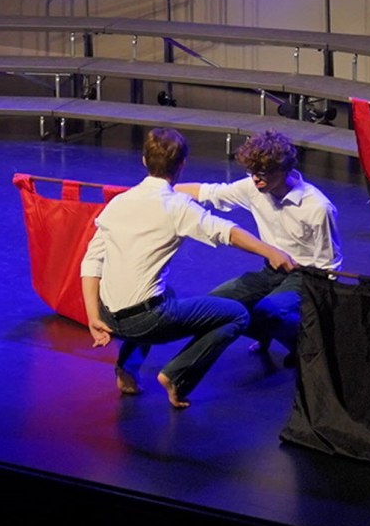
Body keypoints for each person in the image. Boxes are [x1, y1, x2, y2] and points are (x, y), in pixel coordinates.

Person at [81, 128, 298, 408]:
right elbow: (226, 232)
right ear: (182, 164)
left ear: (144, 161)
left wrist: (92, 316)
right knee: (237, 315)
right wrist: (271, 251)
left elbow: (92, 261)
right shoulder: (176, 207)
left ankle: (127, 370)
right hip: (145, 322)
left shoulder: (118, 203)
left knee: (165, 292)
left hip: (106, 317)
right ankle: (178, 376)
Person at [177, 130, 341, 367]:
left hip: (304, 276)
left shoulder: (317, 207)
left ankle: (302, 345)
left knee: (267, 312)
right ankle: (265, 332)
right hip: (271, 269)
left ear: (283, 169)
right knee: (216, 304)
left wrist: (322, 307)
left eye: (262, 173)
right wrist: (158, 189)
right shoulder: (254, 187)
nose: (255, 180)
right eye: (252, 172)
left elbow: (329, 265)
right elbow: (209, 193)